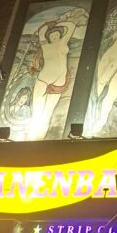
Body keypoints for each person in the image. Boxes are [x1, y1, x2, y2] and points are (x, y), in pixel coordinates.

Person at [28, 8, 84, 140]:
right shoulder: (45, 45)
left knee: (48, 112)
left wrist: (59, 23)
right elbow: (42, 31)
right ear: (49, 37)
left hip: (59, 81)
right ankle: (31, 140)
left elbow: (71, 26)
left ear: (60, 35)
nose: (54, 36)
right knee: (37, 112)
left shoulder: (63, 42)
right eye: (52, 35)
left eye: (57, 34)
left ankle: (40, 140)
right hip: (43, 80)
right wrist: (52, 24)